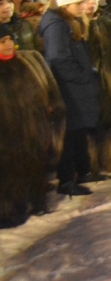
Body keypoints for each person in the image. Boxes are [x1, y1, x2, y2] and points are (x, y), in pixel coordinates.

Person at [38, 0, 102, 196]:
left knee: (79, 131)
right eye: (80, 2)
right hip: (69, 89)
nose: (85, 6)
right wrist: (83, 76)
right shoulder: (57, 26)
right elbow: (59, 59)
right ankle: (67, 181)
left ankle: (84, 171)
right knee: (70, 134)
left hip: (77, 88)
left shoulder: (69, 22)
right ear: (66, 4)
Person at [0, 23, 65, 227]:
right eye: (2, 42)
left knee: (33, 165)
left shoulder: (28, 61)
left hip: (31, 129)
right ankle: (8, 209)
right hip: (6, 133)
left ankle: (32, 200)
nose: (9, 45)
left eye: (10, 40)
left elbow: (47, 88)